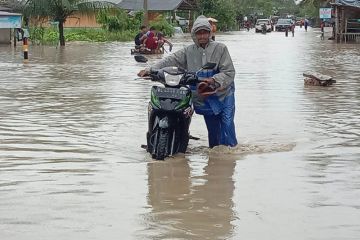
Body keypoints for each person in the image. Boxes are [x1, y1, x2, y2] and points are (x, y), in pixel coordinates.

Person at [138, 15, 237, 148]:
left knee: (227, 123)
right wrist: (150, 69)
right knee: (212, 129)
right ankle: (215, 156)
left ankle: (231, 154)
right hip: (204, 96)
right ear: (194, 34)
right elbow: (170, 60)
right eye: (199, 33)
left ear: (210, 32)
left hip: (223, 94)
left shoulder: (221, 48)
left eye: (205, 32)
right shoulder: (188, 51)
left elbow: (229, 72)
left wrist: (214, 79)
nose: (202, 36)